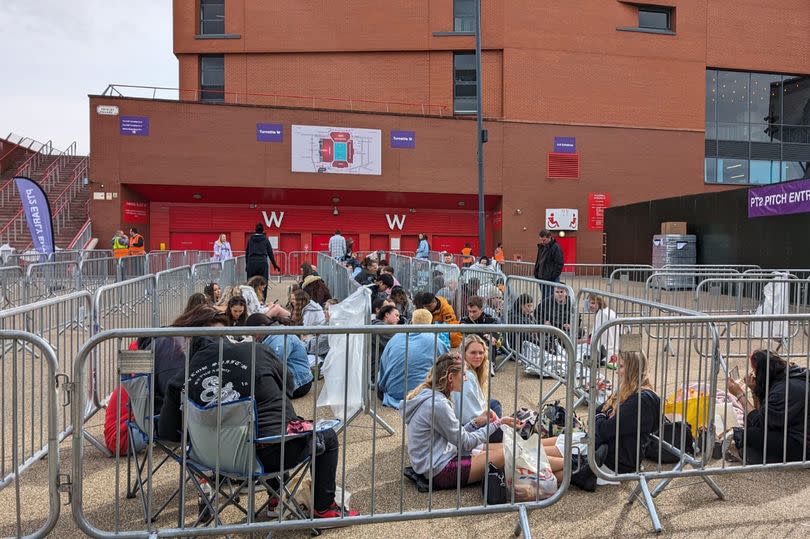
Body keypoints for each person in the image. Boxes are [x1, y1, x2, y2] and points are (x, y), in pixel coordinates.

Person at [158, 326, 359, 519]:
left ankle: (277, 497)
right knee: (325, 437)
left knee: (263, 430)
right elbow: (288, 387)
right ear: (227, 338)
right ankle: (324, 509)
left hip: (210, 460)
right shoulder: (256, 351)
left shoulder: (181, 379)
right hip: (267, 456)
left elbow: (167, 433)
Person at [540, 351, 658, 490]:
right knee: (539, 447)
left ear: (632, 369)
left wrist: (600, 418)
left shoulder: (643, 399)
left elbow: (604, 429)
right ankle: (512, 458)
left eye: (620, 366)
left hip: (610, 459)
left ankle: (513, 464)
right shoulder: (628, 391)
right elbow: (596, 415)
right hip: (600, 445)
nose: (616, 372)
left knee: (539, 458)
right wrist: (601, 418)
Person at [402, 353, 518, 490]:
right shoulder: (438, 404)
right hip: (440, 470)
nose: (465, 379)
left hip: (434, 462)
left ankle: (545, 458)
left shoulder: (431, 396)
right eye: (463, 375)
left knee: (507, 448)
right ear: (450, 377)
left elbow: (457, 436)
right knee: (511, 454)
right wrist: (498, 423)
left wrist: (476, 422)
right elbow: (466, 443)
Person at [727, 350, 810, 464]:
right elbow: (763, 415)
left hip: (803, 444)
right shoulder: (790, 375)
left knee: (749, 435)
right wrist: (755, 391)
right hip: (798, 432)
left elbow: (759, 422)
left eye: (755, 371)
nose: (753, 374)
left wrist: (740, 395)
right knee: (750, 431)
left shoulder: (783, 390)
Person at [378, 309, 449, 408]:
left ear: (412, 321)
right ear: (431, 323)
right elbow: (447, 367)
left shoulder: (395, 338)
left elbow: (383, 366)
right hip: (424, 394)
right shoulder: (437, 341)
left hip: (394, 393)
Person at [246, 313, 314, 399]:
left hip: (299, 384)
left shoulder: (280, 338)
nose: (253, 337)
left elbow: (273, 364)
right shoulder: (272, 335)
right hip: (293, 380)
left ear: (262, 327)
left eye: (253, 334)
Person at [452, 335, 503, 442]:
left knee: (494, 404)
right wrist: (494, 421)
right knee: (497, 421)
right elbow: (469, 416)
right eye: (473, 353)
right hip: (464, 428)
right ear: (464, 354)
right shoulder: (466, 376)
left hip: (463, 421)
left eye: (481, 353)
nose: (478, 356)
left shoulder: (468, 371)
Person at [536, 285, 581, 352]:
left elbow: (578, 317)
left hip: (565, 329)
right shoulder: (546, 302)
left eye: (561, 292)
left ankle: (565, 345)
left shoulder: (571, 302)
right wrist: (544, 322)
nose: (559, 294)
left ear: (566, 293)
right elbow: (536, 313)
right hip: (552, 328)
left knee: (580, 331)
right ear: (554, 293)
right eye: (557, 292)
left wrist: (571, 325)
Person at [579, 293, 619, 363]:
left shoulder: (602, 314)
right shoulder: (607, 311)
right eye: (589, 303)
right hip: (615, 346)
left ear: (599, 303)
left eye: (593, 303)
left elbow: (598, 336)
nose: (590, 305)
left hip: (607, 350)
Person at [370, 304, 401, 377]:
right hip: (377, 369)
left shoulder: (380, 326)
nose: (398, 318)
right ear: (387, 314)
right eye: (396, 315)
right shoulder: (378, 327)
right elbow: (398, 341)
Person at [533, 230, 564, 302]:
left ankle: (550, 312)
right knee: (545, 298)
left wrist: (552, 276)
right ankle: (545, 311)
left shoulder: (556, 248)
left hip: (550, 278)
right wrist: (536, 273)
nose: (542, 242)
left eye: (544, 240)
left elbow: (559, 263)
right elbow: (539, 261)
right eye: (541, 240)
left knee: (550, 298)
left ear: (549, 237)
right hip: (541, 277)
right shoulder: (542, 247)